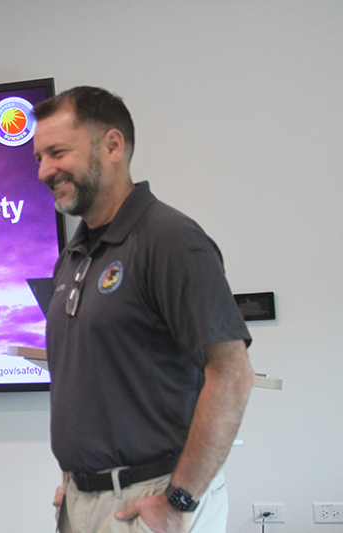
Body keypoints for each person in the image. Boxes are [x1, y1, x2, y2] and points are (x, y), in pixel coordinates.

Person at [32, 86, 254, 533]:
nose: (44, 171)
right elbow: (83, 381)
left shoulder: (171, 240)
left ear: (112, 145)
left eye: (57, 152)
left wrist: (180, 500)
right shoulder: (73, 255)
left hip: (151, 500)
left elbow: (232, 374)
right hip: (84, 501)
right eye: (38, 158)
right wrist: (75, 481)